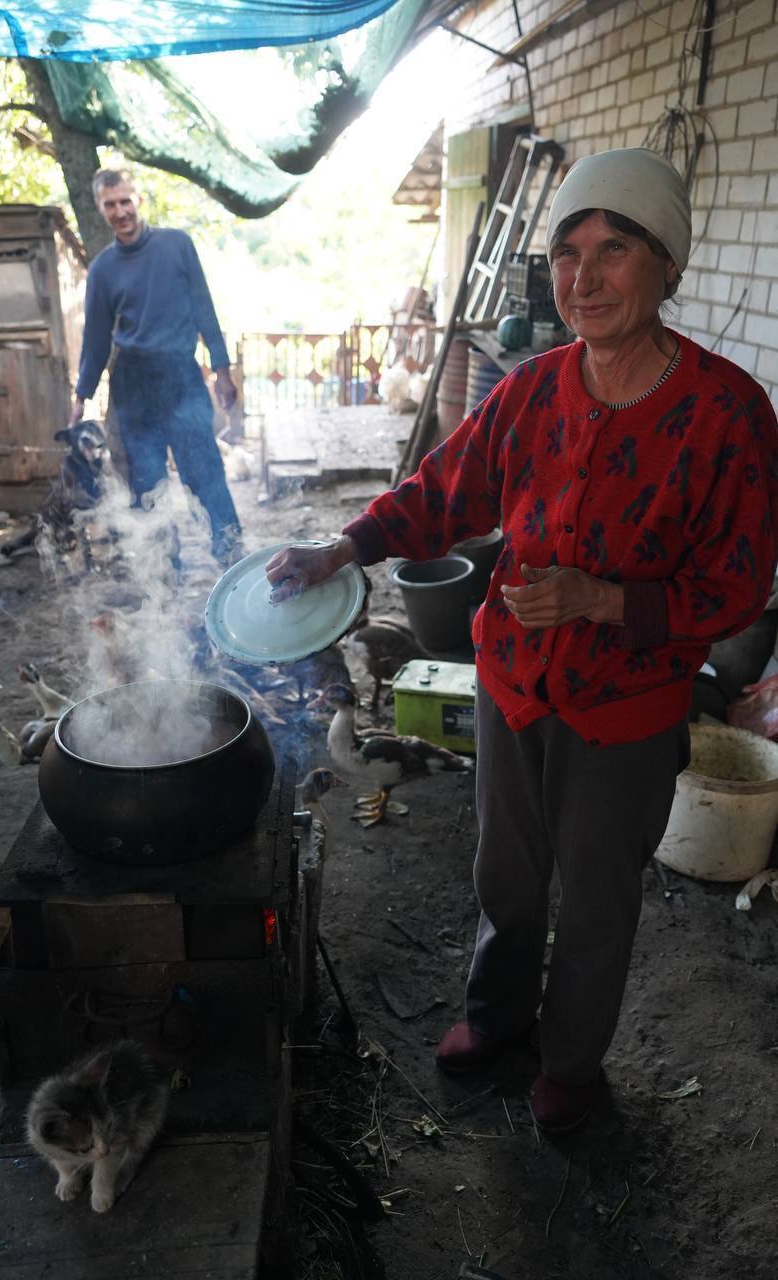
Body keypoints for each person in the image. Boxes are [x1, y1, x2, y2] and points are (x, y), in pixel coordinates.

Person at [266, 148, 778, 1133]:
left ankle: (573, 1065)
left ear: (664, 262)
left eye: (612, 251)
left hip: (623, 708)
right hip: (512, 681)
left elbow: (736, 586)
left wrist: (600, 598)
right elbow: (442, 494)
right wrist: (343, 547)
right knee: (503, 873)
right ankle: (494, 1015)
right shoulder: (531, 389)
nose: (581, 278)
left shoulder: (725, 413)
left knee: (593, 901)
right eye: (565, 253)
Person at [69, 168, 243, 567]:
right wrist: (82, 394)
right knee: (147, 483)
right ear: (100, 208)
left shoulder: (176, 246)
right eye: (110, 205)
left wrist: (221, 368)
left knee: (205, 474)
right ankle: (165, 570)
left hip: (180, 376)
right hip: (133, 384)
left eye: (125, 201)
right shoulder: (102, 270)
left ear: (138, 200)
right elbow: (96, 339)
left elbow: (204, 307)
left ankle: (231, 556)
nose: (120, 211)